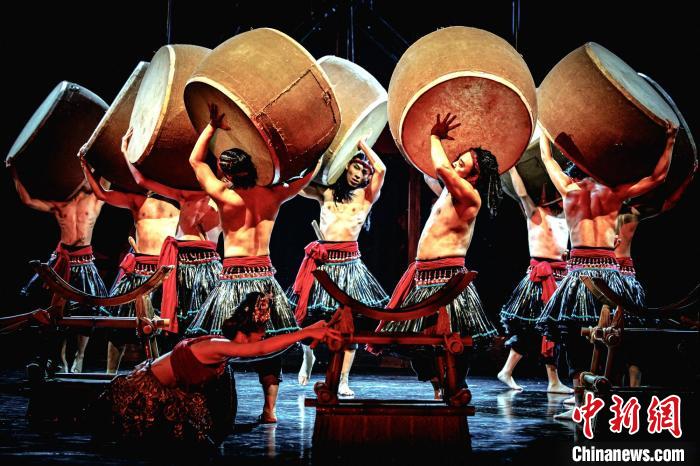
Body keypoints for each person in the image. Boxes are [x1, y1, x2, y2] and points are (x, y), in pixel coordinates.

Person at [536, 122, 676, 417]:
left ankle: (581, 403)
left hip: (579, 274)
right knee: (612, 335)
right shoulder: (614, 191)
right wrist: (670, 140)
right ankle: (604, 401)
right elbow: (658, 178)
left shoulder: (568, 189)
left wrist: (545, 130)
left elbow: (547, 159)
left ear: (575, 171)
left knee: (574, 337)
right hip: (610, 274)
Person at [186, 103, 315, 423]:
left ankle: (212, 408)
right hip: (263, 279)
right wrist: (316, 147)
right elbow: (308, 176)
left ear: (227, 173)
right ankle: (269, 410)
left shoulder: (224, 196)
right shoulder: (273, 195)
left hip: (233, 278)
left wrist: (212, 126)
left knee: (219, 343)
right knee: (268, 343)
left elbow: (195, 161)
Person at [95, 291, 340, 446]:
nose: (263, 338)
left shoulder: (226, 347)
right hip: (140, 395)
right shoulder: (216, 345)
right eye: (261, 334)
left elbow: (264, 348)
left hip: (165, 392)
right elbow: (260, 350)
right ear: (246, 333)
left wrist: (309, 331)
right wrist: (304, 333)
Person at [376, 113, 500, 398]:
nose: (454, 165)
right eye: (456, 162)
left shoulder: (469, 196)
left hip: (448, 282)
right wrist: (412, 141)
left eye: (461, 164)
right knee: (414, 342)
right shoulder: (450, 192)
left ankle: (455, 387)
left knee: (453, 340)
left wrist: (435, 136)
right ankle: (439, 385)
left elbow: (442, 169)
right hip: (423, 277)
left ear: (475, 175)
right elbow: (429, 171)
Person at [291, 138, 389, 396]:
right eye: (356, 167)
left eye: (364, 171)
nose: (359, 174)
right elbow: (298, 186)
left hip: (349, 267)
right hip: (323, 265)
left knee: (350, 327)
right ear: (346, 166)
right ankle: (308, 356)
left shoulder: (367, 197)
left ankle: (343, 380)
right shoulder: (326, 192)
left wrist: (362, 144)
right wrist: (318, 160)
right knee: (310, 319)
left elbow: (382, 169)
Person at [79, 143, 180, 373]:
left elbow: (102, 194)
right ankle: (111, 375)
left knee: (158, 329)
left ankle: (158, 375)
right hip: (142, 271)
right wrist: (86, 166)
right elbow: (102, 194)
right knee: (119, 327)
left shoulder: (174, 202)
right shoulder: (146, 201)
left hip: (165, 273)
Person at [121, 126, 223, 344]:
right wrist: (126, 153)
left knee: (204, 322)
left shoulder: (222, 196)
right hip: (181, 264)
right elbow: (142, 182)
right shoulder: (191, 195)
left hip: (205, 266)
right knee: (175, 321)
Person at [9, 164, 108, 373]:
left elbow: (105, 180)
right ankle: (61, 359)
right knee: (56, 313)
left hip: (84, 260)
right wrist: (14, 171)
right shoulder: (61, 204)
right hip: (62, 260)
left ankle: (80, 356)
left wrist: (90, 161)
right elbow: (28, 201)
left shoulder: (95, 200)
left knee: (87, 310)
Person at [497, 166, 572, 393]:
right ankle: (514, 372)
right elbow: (521, 194)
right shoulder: (535, 214)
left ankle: (551, 381)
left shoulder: (568, 218)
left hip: (560, 277)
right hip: (539, 277)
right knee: (532, 330)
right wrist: (512, 170)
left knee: (554, 330)